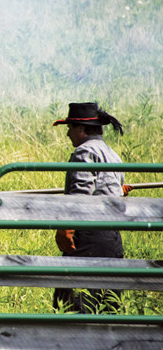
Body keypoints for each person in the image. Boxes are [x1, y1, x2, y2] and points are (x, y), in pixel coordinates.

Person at [52, 102, 126, 313]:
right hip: (112, 239)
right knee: (107, 302)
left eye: (70, 127)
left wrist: (66, 228)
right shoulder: (113, 155)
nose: (68, 134)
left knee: (73, 302)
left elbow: (80, 196)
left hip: (89, 237)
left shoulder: (84, 152)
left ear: (82, 129)